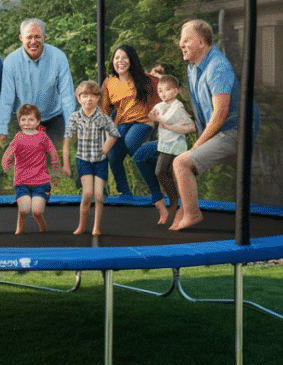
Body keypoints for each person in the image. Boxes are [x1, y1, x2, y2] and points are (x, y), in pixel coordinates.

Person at [169, 19, 259, 231]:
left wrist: (196, 146)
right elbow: (201, 106)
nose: (181, 44)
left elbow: (220, 113)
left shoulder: (217, 67)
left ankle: (192, 214)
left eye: (186, 40)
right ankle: (184, 209)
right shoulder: (193, 68)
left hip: (236, 131)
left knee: (182, 163)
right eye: (181, 40)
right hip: (220, 131)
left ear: (201, 42)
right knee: (173, 164)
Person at [100, 44, 164, 217]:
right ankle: (124, 192)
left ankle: (156, 191)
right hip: (120, 124)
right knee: (114, 155)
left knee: (131, 142)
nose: (120, 61)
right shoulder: (109, 82)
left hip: (142, 122)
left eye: (124, 57)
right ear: (113, 61)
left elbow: (165, 93)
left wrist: (159, 114)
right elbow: (105, 110)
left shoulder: (145, 79)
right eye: (117, 58)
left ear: (132, 60)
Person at [0, 18, 76, 149]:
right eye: (29, 37)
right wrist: (2, 129)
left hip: (52, 118)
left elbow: (66, 94)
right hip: (22, 121)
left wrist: (70, 127)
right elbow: (6, 99)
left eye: (37, 37)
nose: (33, 42)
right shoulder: (10, 62)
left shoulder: (59, 57)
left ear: (45, 37)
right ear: (21, 38)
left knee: (57, 160)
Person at [62, 80, 120, 236]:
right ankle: (81, 225)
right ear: (79, 98)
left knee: (99, 196)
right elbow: (67, 141)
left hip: (100, 160)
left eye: (93, 96)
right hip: (83, 159)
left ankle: (96, 227)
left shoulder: (102, 116)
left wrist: (105, 149)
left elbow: (114, 135)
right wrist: (66, 164)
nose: (89, 99)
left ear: (98, 98)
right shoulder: (75, 117)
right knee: (87, 194)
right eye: (85, 96)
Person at [1, 104, 60, 235]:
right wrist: (5, 165)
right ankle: (19, 230)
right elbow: (7, 154)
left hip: (41, 181)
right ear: (19, 121)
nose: (27, 123)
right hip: (22, 181)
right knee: (23, 209)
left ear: (38, 121)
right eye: (23, 119)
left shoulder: (43, 137)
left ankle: (43, 227)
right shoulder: (18, 137)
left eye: (31, 119)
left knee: (37, 211)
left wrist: (56, 171)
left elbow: (53, 153)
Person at [148, 74, 196, 225]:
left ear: (175, 91)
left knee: (160, 172)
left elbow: (167, 120)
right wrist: (153, 115)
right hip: (165, 145)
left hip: (175, 147)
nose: (163, 93)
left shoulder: (177, 106)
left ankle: (175, 201)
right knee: (168, 174)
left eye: (167, 90)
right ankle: (176, 203)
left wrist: (160, 119)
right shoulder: (161, 105)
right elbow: (151, 115)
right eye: (160, 90)